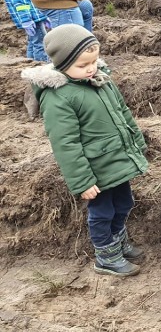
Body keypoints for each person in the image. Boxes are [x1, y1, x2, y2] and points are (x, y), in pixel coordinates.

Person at [21, 24, 148, 277]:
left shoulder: (100, 79)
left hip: (116, 159)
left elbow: (122, 113)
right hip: (94, 168)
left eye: (93, 61)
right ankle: (106, 255)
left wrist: (136, 144)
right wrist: (82, 181)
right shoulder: (59, 97)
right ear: (62, 63)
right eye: (82, 65)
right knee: (102, 211)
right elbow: (65, 144)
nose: (91, 68)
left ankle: (118, 241)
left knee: (123, 203)